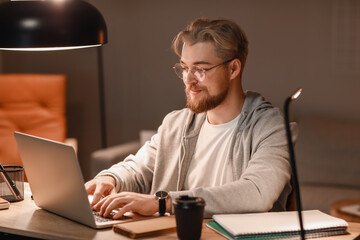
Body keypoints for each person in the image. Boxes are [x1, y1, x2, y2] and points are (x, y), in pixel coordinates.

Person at [85, 17, 296, 219]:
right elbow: (139, 168)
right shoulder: (176, 124)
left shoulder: (272, 128)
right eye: (185, 68)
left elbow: (257, 193)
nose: (189, 80)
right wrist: (109, 178)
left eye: (201, 69)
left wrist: (163, 202)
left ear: (233, 68)